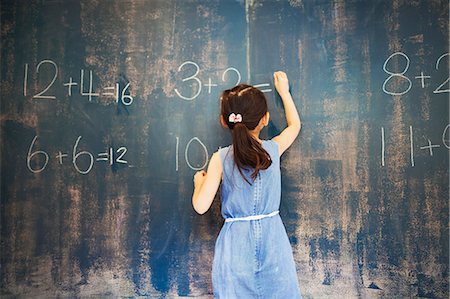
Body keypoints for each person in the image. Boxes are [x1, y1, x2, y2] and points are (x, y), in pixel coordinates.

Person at [192, 71, 302, 298]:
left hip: (235, 247)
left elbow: (201, 206)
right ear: (265, 118)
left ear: (224, 121)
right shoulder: (273, 150)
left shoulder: (220, 159)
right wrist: (284, 92)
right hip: (273, 244)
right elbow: (294, 126)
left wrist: (198, 184)